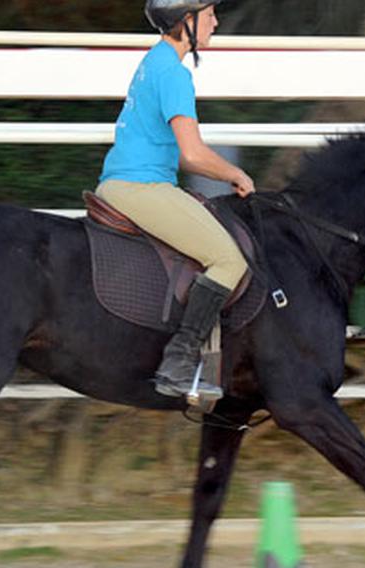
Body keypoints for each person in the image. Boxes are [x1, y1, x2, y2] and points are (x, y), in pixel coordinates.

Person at [95, 0, 256, 402]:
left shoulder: (154, 60)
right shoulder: (174, 74)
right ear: (187, 20)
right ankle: (180, 360)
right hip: (142, 188)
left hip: (127, 183)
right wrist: (236, 174)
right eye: (209, 14)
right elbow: (193, 155)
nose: (216, 21)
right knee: (229, 259)